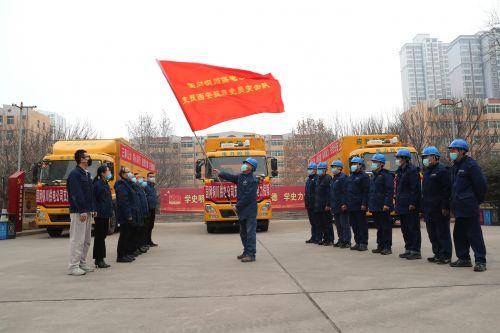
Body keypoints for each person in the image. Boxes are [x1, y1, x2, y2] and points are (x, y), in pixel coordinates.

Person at [448, 139, 488, 272]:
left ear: (462, 151)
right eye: (451, 150)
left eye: (454, 150)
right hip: (459, 207)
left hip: (469, 206)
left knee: (474, 234)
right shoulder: (455, 166)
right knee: (459, 235)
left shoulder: (471, 165)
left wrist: (476, 200)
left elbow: (481, 185)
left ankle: (480, 260)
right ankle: (464, 259)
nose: (451, 153)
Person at [214, 158, 259, 262]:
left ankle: (251, 255)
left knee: (250, 232)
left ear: (251, 167)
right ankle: (246, 251)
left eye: (247, 163)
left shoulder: (253, 179)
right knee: (243, 233)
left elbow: (249, 197)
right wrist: (220, 173)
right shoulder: (241, 177)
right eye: (245, 163)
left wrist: (237, 206)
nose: (244, 165)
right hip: (242, 211)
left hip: (250, 210)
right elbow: (231, 177)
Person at [421, 146, 452, 265]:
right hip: (429, 208)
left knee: (442, 233)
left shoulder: (442, 170)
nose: (425, 159)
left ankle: (445, 255)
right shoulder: (427, 171)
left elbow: (447, 190)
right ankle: (437, 254)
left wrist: (445, 206)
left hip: (439, 208)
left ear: (435, 157)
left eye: (426, 157)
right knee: (432, 233)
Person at [66, 149, 96, 276]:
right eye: (87, 156)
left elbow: (90, 193)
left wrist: (92, 208)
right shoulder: (75, 174)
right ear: (82, 159)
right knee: (77, 239)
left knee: (86, 239)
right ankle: (73, 266)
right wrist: (82, 210)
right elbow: (76, 194)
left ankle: (82, 263)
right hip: (79, 212)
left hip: (87, 211)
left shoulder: (87, 174)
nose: (89, 158)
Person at [395, 148, 422, 260]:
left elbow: (415, 188)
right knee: (405, 228)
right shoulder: (400, 171)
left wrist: (413, 203)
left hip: (410, 205)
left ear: (405, 159)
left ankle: (415, 251)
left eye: (399, 158)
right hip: (402, 204)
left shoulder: (412, 170)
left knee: (413, 228)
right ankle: (408, 248)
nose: (398, 160)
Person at [368, 154, 394, 255]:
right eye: (373, 162)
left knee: (385, 227)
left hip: (383, 206)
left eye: (375, 162)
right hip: (375, 206)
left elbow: (389, 191)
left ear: (381, 164)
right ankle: (380, 245)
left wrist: (387, 204)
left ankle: (387, 247)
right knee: (379, 227)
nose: (373, 164)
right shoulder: (373, 175)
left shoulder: (386, 175)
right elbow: (371, 191)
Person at [115, 167, 139, 263]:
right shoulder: (121, 185)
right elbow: (124, 202)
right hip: (125, 215)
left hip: (130, 213)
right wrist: (128, 214)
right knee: (124, 235)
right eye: (128, 172)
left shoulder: (128, 184)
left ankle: (126, 254)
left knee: (128, 235)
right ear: (123, 174)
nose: (130, 173)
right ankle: (121, 256)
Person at [346, 157, 370, 251]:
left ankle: (363, 243)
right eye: (352, 164)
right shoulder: (350, 177)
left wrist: (364, 203)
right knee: (354, 225)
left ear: (360, 165)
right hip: (351, 205)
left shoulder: (364, 177)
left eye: (355, 163)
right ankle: (358, 242)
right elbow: (348, 191)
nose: (353, 165)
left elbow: (366, 191)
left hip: (360, 205)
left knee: (362, 225)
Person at [92, 164, 113, 268]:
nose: (109, 172)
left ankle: (99, 259)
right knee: (99, 237)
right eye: (108, 171)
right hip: (100, 214)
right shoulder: (97, 184)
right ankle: (99, 259)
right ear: (102, 173)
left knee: (103, 236)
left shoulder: (105, 183)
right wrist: (95, 210)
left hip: (106, 213)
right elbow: (94, 199)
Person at [329, 160, 351, 248]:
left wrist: (344, 203)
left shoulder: (343, 178)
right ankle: (341, 239)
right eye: (332, 167)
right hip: (335, 205)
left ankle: (347, 241)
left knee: (344, 224)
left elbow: (345, 192)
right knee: (338, 224)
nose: (333, 169)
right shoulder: (334, 178)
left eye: (334, 167)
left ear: (340, 168)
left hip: (342, 205)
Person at [314, 162, 334, 246]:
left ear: (325, 170)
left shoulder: (328, 178)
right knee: (321, 224)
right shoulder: (318, 179)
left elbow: (329, 193)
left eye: (320, 169)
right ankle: (324, 239)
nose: (319, 171)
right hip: (318, 205)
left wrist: (328, 205)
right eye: (318, 169)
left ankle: (330, 239)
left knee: (327, 224)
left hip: (325, 206)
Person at [134, 173, 149, 255]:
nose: (141, 180)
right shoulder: (136, 189)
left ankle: (141, 245)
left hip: (143, 212)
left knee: (142, 230)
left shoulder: (141, 189)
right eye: (139, 178)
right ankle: (137, 247)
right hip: (139, 212)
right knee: (138, 231)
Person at [304, 162, 319, 244]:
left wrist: (316, 203)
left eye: (311, 169)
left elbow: (317, 192)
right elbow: (307, 193)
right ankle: (313, 237)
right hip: (309, 204)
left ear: (315, 170)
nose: (309, 171)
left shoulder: (316, 179)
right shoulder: (309, 179)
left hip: (314, 204)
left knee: (316, 222)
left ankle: (317, 237)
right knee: (312, 222)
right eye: (308, 169)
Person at [145, 172, 158, 247]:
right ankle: (145, 242)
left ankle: (149, 241)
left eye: (153, 176)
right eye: (150, 176)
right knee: (147, 226)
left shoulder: (152, 186)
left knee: (151, 226)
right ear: (147, 178)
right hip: (148, 209)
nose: (152, 178)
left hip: (153, 208)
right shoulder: (146, 186)